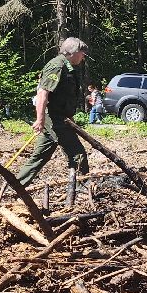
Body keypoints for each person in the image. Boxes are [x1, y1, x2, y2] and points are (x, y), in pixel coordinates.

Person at [17, 37, 91, 188]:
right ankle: (83, 188)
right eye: (82, 54)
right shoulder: (57, 66)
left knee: (39, 156)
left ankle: (16, 185)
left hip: (61, 119)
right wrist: (39, 119)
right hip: (54, 120)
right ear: (74, 52)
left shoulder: (67, 66)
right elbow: (43, 94)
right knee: (77, 154)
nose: (83, 57)